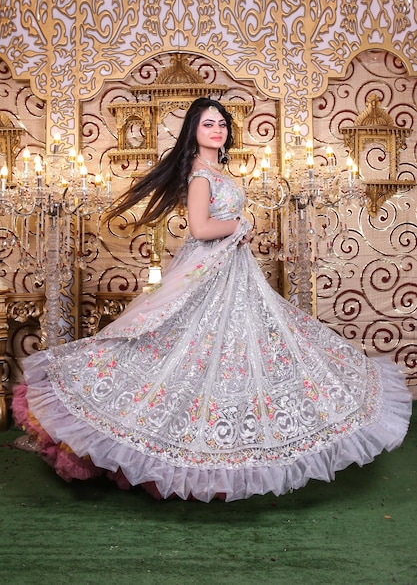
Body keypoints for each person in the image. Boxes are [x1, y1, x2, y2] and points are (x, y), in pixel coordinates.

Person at [12, 97, 412, 502]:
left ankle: (224, 445)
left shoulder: (218, 170)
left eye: (221, 123)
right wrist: (241, 223)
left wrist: (241, 229)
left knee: (230, 356)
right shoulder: (201, 175)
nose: (217, 129)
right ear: (194, 132)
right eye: (207, 124)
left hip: (233, 272)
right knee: (185, 352)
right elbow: (201, 229)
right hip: (210, 272)